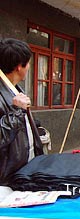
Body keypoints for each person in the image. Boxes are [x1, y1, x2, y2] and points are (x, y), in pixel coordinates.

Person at [0, 38, 43, 184]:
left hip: (26, 169)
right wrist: (17, 112)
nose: (29, 66)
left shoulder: (16, 90)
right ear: (19, 66)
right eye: (29, 63)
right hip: (7, 176)